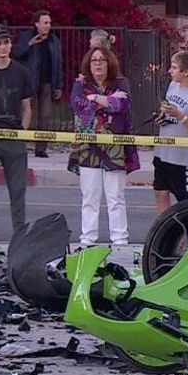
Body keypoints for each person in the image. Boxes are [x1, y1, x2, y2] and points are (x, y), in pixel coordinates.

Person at [69, 47, 139, 246]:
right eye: (94, 60)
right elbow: (78, 106)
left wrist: (94, 99)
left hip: (115, 149)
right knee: (90, 197)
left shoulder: (121, 83)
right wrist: (105, 102)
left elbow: (121, 105)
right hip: (87, 149)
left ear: (109, 63)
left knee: (115, 197)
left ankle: (119, 241)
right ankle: (87, 241)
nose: (98, 64)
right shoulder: (80, 84)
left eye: (102, 60)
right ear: (88, 65)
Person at [0, 24, 33, 234]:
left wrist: (22, 131)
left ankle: (19, 238)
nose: (3, 47)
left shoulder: (21, 72)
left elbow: (26, 106)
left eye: (6, 42)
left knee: (18, 192)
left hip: (14, 137)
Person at [154, 51, 188, 214]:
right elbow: (168, 112)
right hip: (163, 151)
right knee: (160, 192)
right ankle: (164, 230)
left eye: (174, 67)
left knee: (184, 200)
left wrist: (180, 115)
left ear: (185, 72)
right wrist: (161, 118)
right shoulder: (172, 86)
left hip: (181, 157)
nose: (170, 71)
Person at [13, 9, 63, 157]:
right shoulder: (26, 37)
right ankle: (18, 145)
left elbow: (58, 64)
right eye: (45, 22)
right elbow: (16, 54)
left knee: (45, 116)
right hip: (29, 82)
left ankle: (41, 148)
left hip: (47, 83)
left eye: (49, 22)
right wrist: (30, 43)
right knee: (24, 113)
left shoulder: (54, 41)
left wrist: (58, 85)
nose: (48, 25)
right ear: (37, 24)